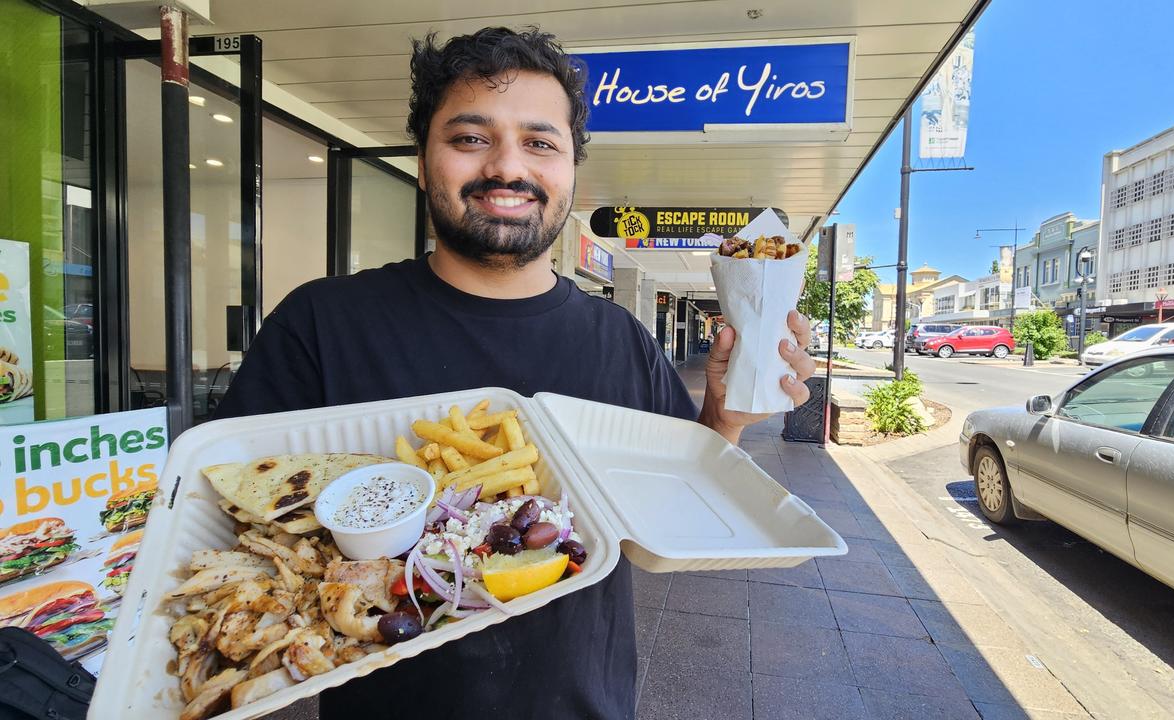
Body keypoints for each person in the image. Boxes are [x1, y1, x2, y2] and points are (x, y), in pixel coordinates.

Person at [215, 27, 815, 719]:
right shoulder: (320, 322)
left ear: (570, 174)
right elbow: (237, 523)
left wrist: (722, 420)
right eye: (470, 138)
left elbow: (671, 509)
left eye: (540, 142)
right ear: (422, 161)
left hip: (586, 703)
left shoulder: (621, 337)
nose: (507, 166)